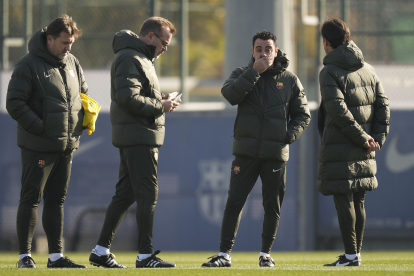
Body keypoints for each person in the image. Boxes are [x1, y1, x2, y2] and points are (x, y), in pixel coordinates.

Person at [201, 30, 311, 268]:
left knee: (272, 205)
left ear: (276, 51)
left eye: (268, 49)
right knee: (234, 202)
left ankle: (265, 254)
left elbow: (303, 115)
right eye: (259, 49)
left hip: (275, 155)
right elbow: (229, 95)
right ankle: (224, 255)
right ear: (252, 52)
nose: (263, 53)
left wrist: (287, 136)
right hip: (246, 153)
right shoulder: (242, 73)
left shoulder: (289, 79)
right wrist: (254, 73)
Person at [88, 17, 180, 269]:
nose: (165, 48)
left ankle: (100, 250)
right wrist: (161, 106)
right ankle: (145, 255)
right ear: (150, 36)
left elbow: (135, 95)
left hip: (137, 134)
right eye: (164, 42)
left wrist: (161, 99)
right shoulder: (131, 57)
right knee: (147, 194)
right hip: (139, 136)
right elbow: (128, 98)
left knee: (124, 195)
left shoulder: (139, 58)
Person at [6, 15, 88, 268]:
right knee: (31, 197)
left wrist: (84, 117)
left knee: (56, 201)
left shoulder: (72, 61)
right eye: (64, 43)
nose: (68, 48)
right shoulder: (28, 65)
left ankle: (55, 257)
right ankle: (24, 256)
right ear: (49, 39)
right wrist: (42, 128)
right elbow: (14, 103)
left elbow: (82, 94)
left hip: (65, 144)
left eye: (71, 43)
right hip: (38, 145)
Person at [317, 18, 390, 266]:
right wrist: (376, 138)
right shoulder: (368, 68)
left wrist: (365, 138)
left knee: (343, 197)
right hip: (365, 146)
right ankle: (355, 255)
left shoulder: (328, 71)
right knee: (358, 199)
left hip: (342, 144)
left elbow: (338, 112)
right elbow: (383, 105)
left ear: (326, 42)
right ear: (347, 37)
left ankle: (350, 255)